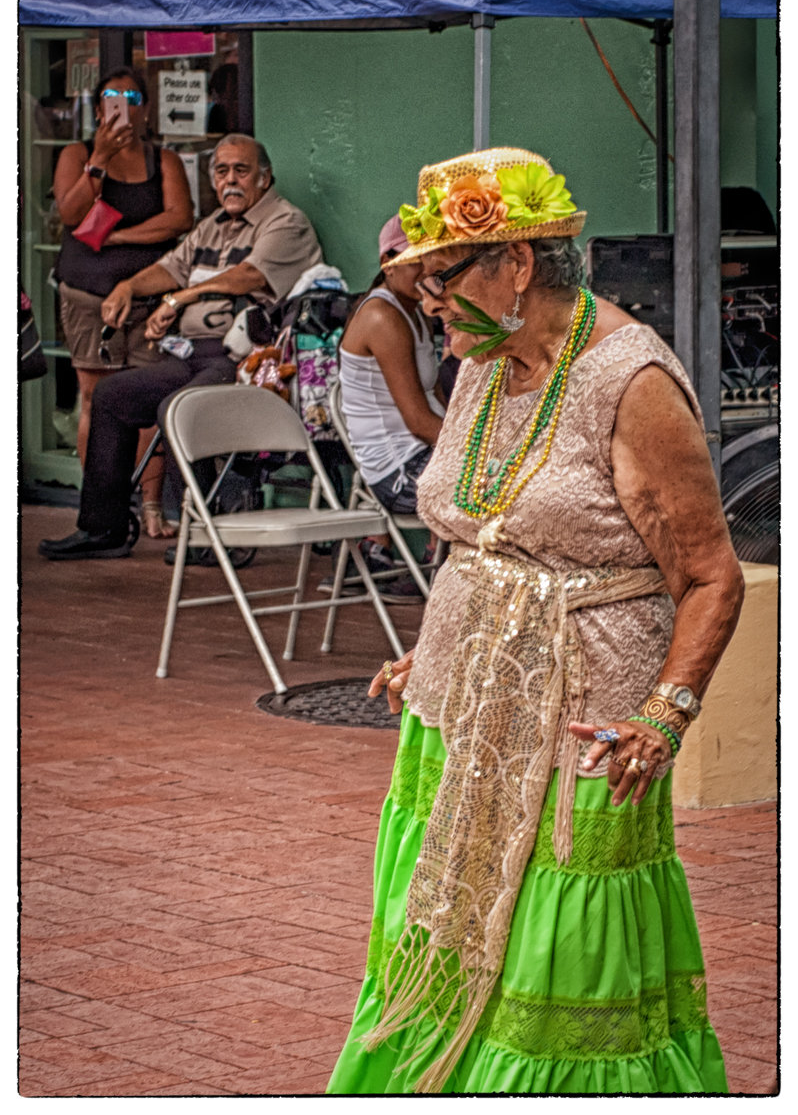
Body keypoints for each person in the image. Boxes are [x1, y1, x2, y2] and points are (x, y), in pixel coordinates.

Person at [327, 148, 744, 1095]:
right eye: (418, 279)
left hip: (582, 724)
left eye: (442, 275)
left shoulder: (632, 381)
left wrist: (664, 714)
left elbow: (713, 577)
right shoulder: (484, 356)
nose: (425, 299)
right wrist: (433, 650)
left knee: (565, 945)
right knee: (441, 927)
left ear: (517, 265)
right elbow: (482, 533)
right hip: (458, 710)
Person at [39, 134, 322, 562]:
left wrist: (179, 299)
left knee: (179, 405)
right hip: (192, 355)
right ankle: (104, 528)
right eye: (221, 171)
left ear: (265, 178)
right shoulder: (212, 226)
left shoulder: (285, 222)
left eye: (241, 171)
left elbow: (246, 276)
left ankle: (209, 530)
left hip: (248, 361)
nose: (230, 180)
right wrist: (129, 287)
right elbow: (171, 267)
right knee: (111, 396)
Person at [53, 68, 194, 537]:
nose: (122, 103)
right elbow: (70, 214)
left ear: (146, 108)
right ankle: (102, 506)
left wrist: (114, 236)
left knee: (147, 397)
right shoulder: (77, 154)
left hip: (150, 298)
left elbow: (177, 220)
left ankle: (151, 504)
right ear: (98, 109)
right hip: (88, 297)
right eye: (111, 95)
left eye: (132, 95)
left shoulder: (164, 160)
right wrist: (101, 158)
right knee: (94, 397)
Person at [334, 214, 446, 603]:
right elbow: (418, 421)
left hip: (424, 452)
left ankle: (438, 570)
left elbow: (434, 397)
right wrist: (477, 447)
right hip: (396, 471)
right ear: (388, 263)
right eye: (417, 261)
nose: (428, 269)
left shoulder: (417, 309)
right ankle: (442, 577)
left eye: (433, 259)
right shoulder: (382, 316)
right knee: (492, 486)